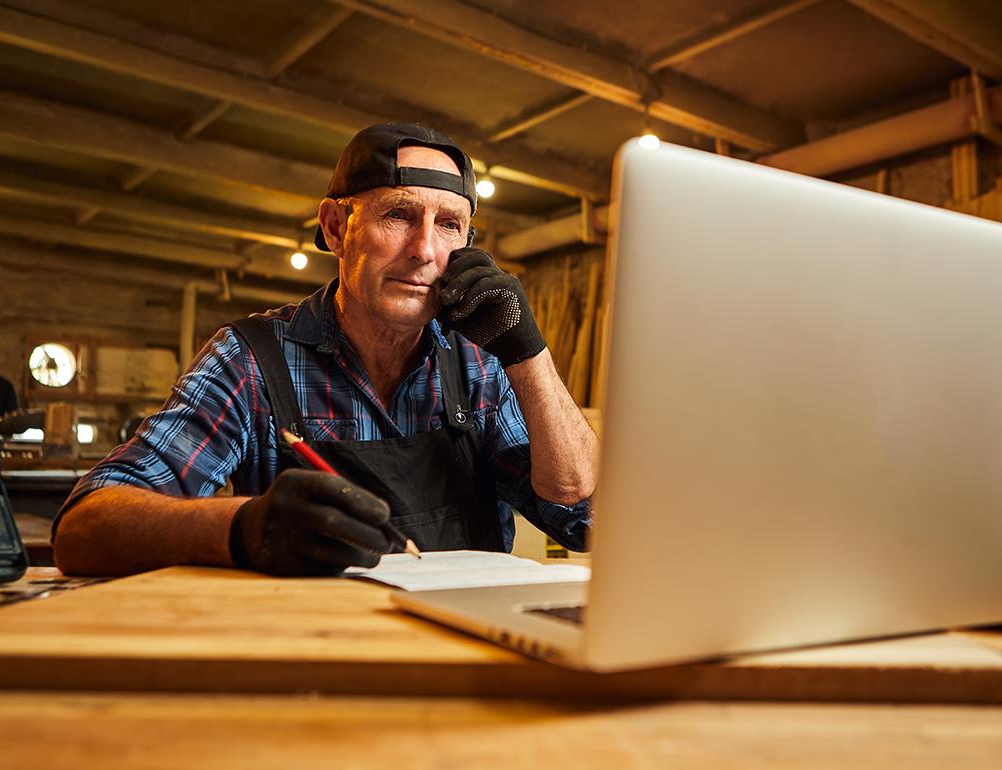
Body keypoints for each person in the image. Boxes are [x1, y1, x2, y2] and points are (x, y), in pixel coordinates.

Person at [53, 123, 598, 577]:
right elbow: (84, 527)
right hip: (315, 655)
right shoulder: (252, 361)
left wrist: (529, 355)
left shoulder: (480, 366)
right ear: (336, 228)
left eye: (449, 225)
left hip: (466, 657)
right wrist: (240, 527)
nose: (425, 250)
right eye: (398, 215)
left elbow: (584, 519)